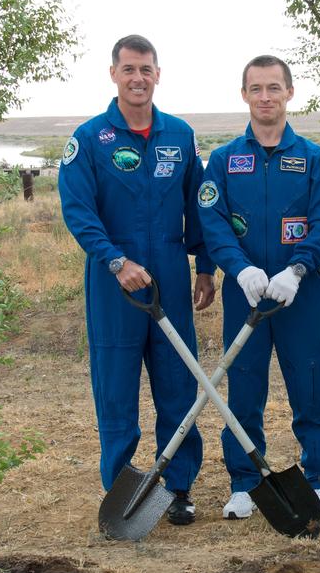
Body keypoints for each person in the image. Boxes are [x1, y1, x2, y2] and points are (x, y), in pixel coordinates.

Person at [59, 35, 217, 526]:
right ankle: (124, 492)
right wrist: (114, 260)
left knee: (177, 385)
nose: (137, 78)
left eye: (146, 69)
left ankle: (178, 488)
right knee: (116, 390)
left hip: (169, 272)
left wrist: (206, 267)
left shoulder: (179, 135)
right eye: (128, 69)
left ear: (157, 74)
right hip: (115, 283)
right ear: (113, 74)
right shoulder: (89, 139)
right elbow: (78, 210)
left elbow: (199, 206)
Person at [199, 55, 320, 520]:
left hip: (298, 294)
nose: (265, 97)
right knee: (242, 387)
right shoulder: (222, 161)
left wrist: (297, 270)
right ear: (244, 95)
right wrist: (239, 269)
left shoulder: (314, 158)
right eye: (256, 88)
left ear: (289, 93)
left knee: (310, 385)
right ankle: (244, 482)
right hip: (245, 294)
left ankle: (317, 479)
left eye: (274, 88)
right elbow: (213, 224)